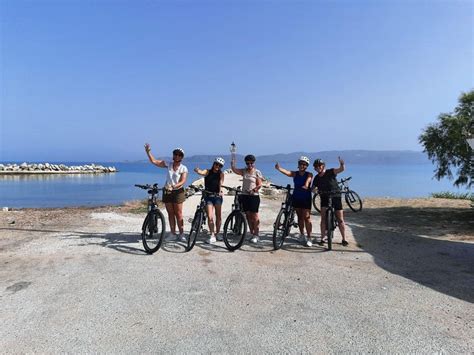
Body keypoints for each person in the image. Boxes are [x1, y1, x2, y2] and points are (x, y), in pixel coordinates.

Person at [144, 143, 188, 242]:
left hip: (178, 192)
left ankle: (181, 234)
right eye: (175, 154)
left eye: (179, 155)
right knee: (170, 213)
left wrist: (173, 186)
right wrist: (148, 152)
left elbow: (182, 181)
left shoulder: (183, 168)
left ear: (182, 157)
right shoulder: (168, 164)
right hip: (167, 191)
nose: (177, 156)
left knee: (179, 213)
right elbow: (154, 161)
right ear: (173, 155)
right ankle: (172, 233)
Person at [274, 156, 313, 247]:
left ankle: (309, 237)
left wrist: (306, 185)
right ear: (298, 165)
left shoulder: (309, 174)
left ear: (306, 166)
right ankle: (302, 234)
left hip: (306, 198)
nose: (302, 166)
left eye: (304, 164)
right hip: (297, 197)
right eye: (301, 164)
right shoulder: (295, 174)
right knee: (300, 217)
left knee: (306, 217)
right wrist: (279, 168)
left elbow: (308, 180)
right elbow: (287, 172)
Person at [311, 157, 348, 246]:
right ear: (314, 168)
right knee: (323, 218)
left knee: (340, 219)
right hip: (324, 197)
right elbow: (313, 188)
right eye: (316, 166)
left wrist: (342, 164)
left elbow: (341, 170)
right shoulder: (316, 178)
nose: (318, 167)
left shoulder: (330, 172)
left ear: (323, 166)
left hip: (336, 196)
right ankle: (323, 238)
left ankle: (344, 239)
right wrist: (315, 191)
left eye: (320, 165)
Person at [231, 153, 262, 243]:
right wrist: (232, 164)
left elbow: (259, 184)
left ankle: (256, 234)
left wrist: (254, 190)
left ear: (254, 163)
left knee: (255, 215)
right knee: (248, 215)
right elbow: (235, 170)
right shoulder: (244, 171)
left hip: (254, 196)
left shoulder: (257, 172)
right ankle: (252, 233)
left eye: (251, 163)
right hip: (244, 196)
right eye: (248, 163)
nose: (249, 165)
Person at [194, 157, 225, 244]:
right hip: (208, 196)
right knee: (210, 217)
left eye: (220, 165)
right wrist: (198, 170)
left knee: (218, 216)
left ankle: (218, 233)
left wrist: (220, 191)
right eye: (216, 164)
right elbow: (202, 172)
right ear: (213, 163)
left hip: (217, 197)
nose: (217, 166)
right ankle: (212, 235)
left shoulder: (221, 174)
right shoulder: (208, 171)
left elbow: (221, 184)